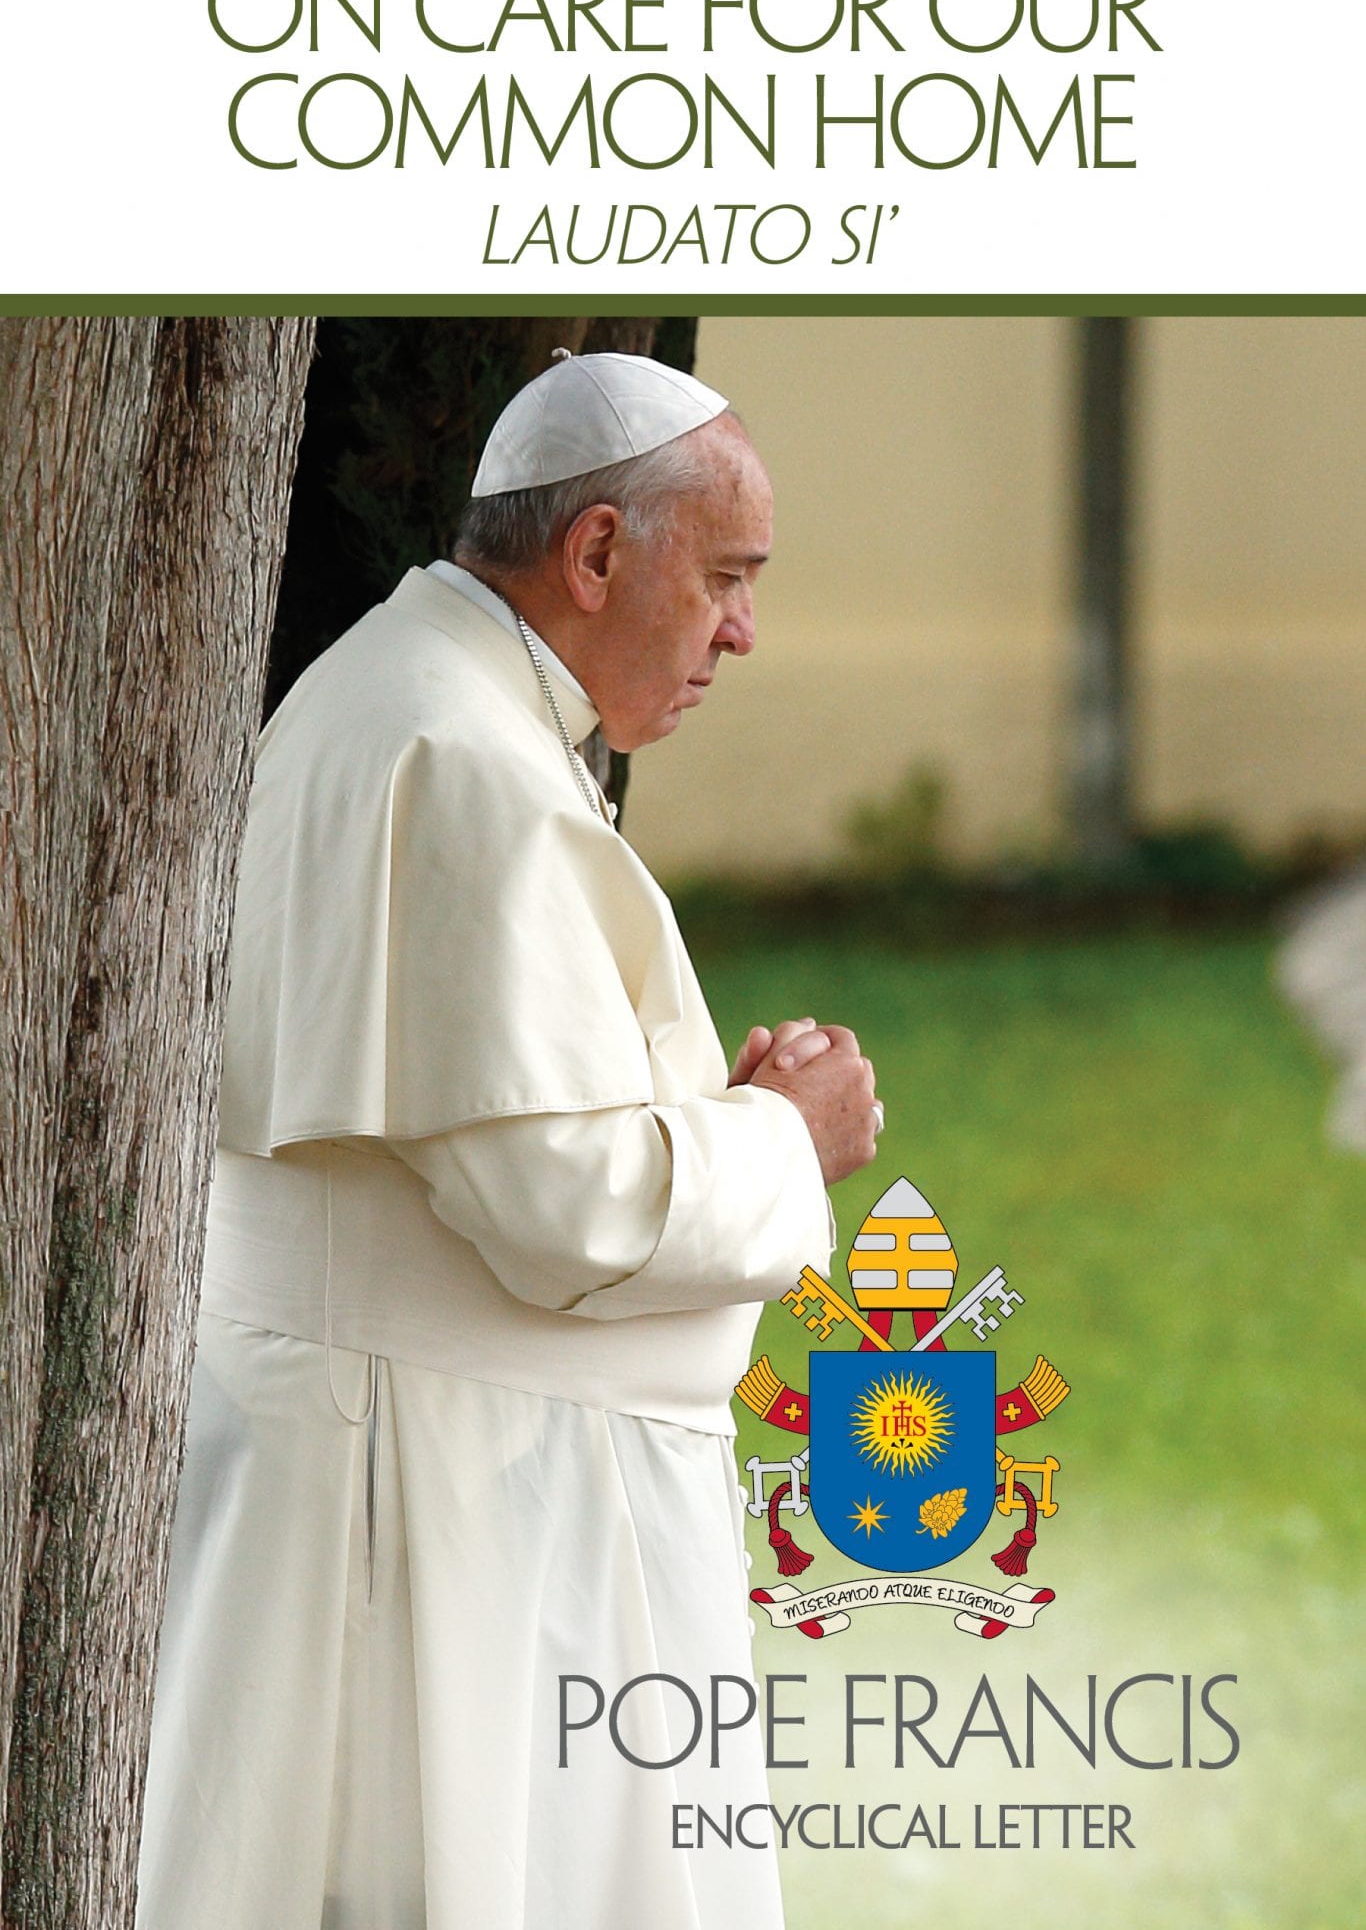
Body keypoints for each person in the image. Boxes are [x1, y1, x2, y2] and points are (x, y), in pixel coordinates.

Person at [135, 350, 880, 1930]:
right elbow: (557, 1207)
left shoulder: (419, 698)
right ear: (598, 553)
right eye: (726, 579)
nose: (742, 630)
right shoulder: (456, 755)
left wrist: (711, 1115)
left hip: (410, 1454)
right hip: (435, 1499)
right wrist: (778, 1135)